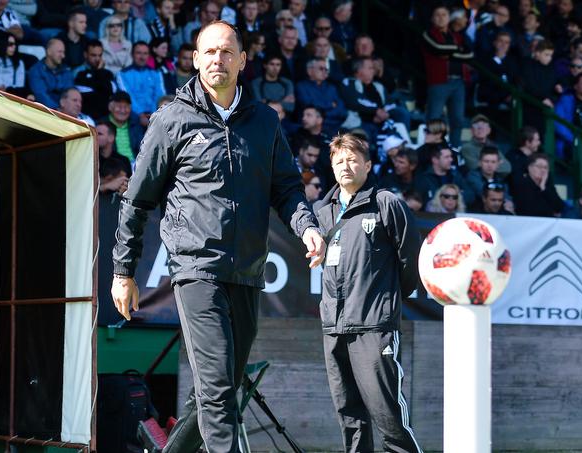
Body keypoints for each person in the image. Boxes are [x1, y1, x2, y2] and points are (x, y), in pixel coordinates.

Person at [111, 20, 325, 453]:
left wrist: (308, 227)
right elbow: (136, 198)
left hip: (247, 272)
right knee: (217, 386)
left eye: (227, 52)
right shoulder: (173, 118)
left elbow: (286, 187)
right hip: (196, 270)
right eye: (209, 52)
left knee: (220, 389)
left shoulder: (265, 121)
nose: (217, 60)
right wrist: (123, 270)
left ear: (243, 61)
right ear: (195, 59)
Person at [313, 132, 422, 453]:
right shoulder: (323, 211)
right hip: (334, 328)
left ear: (368, 164)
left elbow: (410, 261)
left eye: (352, 159)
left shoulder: (387, 203)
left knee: (388, 416)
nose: (345, 166)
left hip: (375, 327)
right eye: (338, 161)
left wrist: (383, 301)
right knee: (350, 417)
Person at [422, 5, 473, 147]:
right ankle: (432, 148)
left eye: (444, 14)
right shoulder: (428, 33)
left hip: (459, 82)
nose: (441, 18)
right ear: (432, 18)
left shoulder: (457, 35)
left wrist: (449, 53)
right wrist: (457, 51)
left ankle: (455, 149)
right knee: (434, 118)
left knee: (458, 119)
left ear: (449, 17)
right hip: (439, 82)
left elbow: (469, 55)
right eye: (437, 15)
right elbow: (438, 48)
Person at [118, 41, 167, 127]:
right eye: (138, 53)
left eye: (145, 53)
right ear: (132, 54)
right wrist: (140, 114)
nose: (142, 57)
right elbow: (128, 97)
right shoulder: (122, 74)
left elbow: (161, 95)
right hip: (133, 116)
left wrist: (153, 114)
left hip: (155, 115)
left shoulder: (156, 73)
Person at [296, 57, 347, 136]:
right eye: (321, 69)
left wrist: (321, 115)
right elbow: (308, 105)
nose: (324, 71)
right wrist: (330, 105)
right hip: (311, 128)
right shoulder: (301, 86)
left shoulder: (332, 87)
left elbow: (341, 111)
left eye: (326, 69)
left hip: (334, 127)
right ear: (309, 71)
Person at [74, 39, 117, 120]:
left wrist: (99, 72)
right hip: (85, 116)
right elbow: (86, 94)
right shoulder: (78, 72)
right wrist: (100, 76)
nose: (97, 59)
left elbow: (111, 91)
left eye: (100, 55)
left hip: (106, 116)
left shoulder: (108, 73)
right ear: (85, 54)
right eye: (93, 55)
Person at [512, 153, 565, 217]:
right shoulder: (522, 183)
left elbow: (560, 207)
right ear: (529, 168)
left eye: (545, 168)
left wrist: (543, 188)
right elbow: (529, 210)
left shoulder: (547, 185)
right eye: (539, 166)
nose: (543, 170)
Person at [28, 38, 74, 109]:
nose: (63, 56)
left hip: (65, 113)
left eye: (63, 52)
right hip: (47, 113)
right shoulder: (36, 71)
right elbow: (41, 96)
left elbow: (70, 94)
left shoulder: (66, 71)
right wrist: (57, 110)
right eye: (60, 52)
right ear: (49, 52)